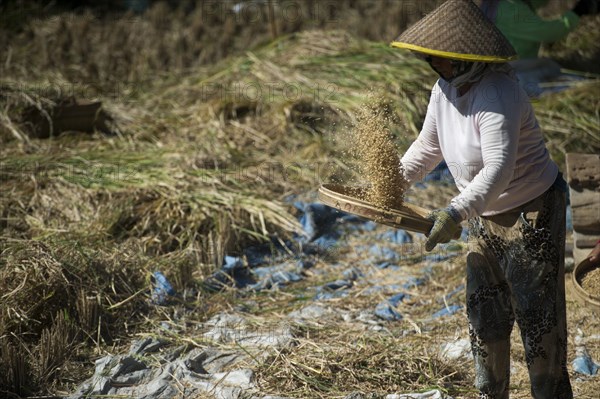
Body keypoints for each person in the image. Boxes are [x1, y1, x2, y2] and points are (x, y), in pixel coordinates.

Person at [391, 0, 571, 398]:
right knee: (484, 318)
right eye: (433, 61)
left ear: (468, 58)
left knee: (538, 325)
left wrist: (454, 211)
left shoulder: (497, 92)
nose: (438, 68)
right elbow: (427, 146)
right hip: (482, 214)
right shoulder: (444, 91)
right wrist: (392, 184)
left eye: (444, 61)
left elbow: (498, 168)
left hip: (531, 212)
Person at [481, 0, 599, 96]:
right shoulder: (510, 9)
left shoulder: (502, 4)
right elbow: (549, 32)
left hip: (514, 66)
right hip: (513, 71)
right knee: (572, 86)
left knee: (555, 73)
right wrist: (577, 12)